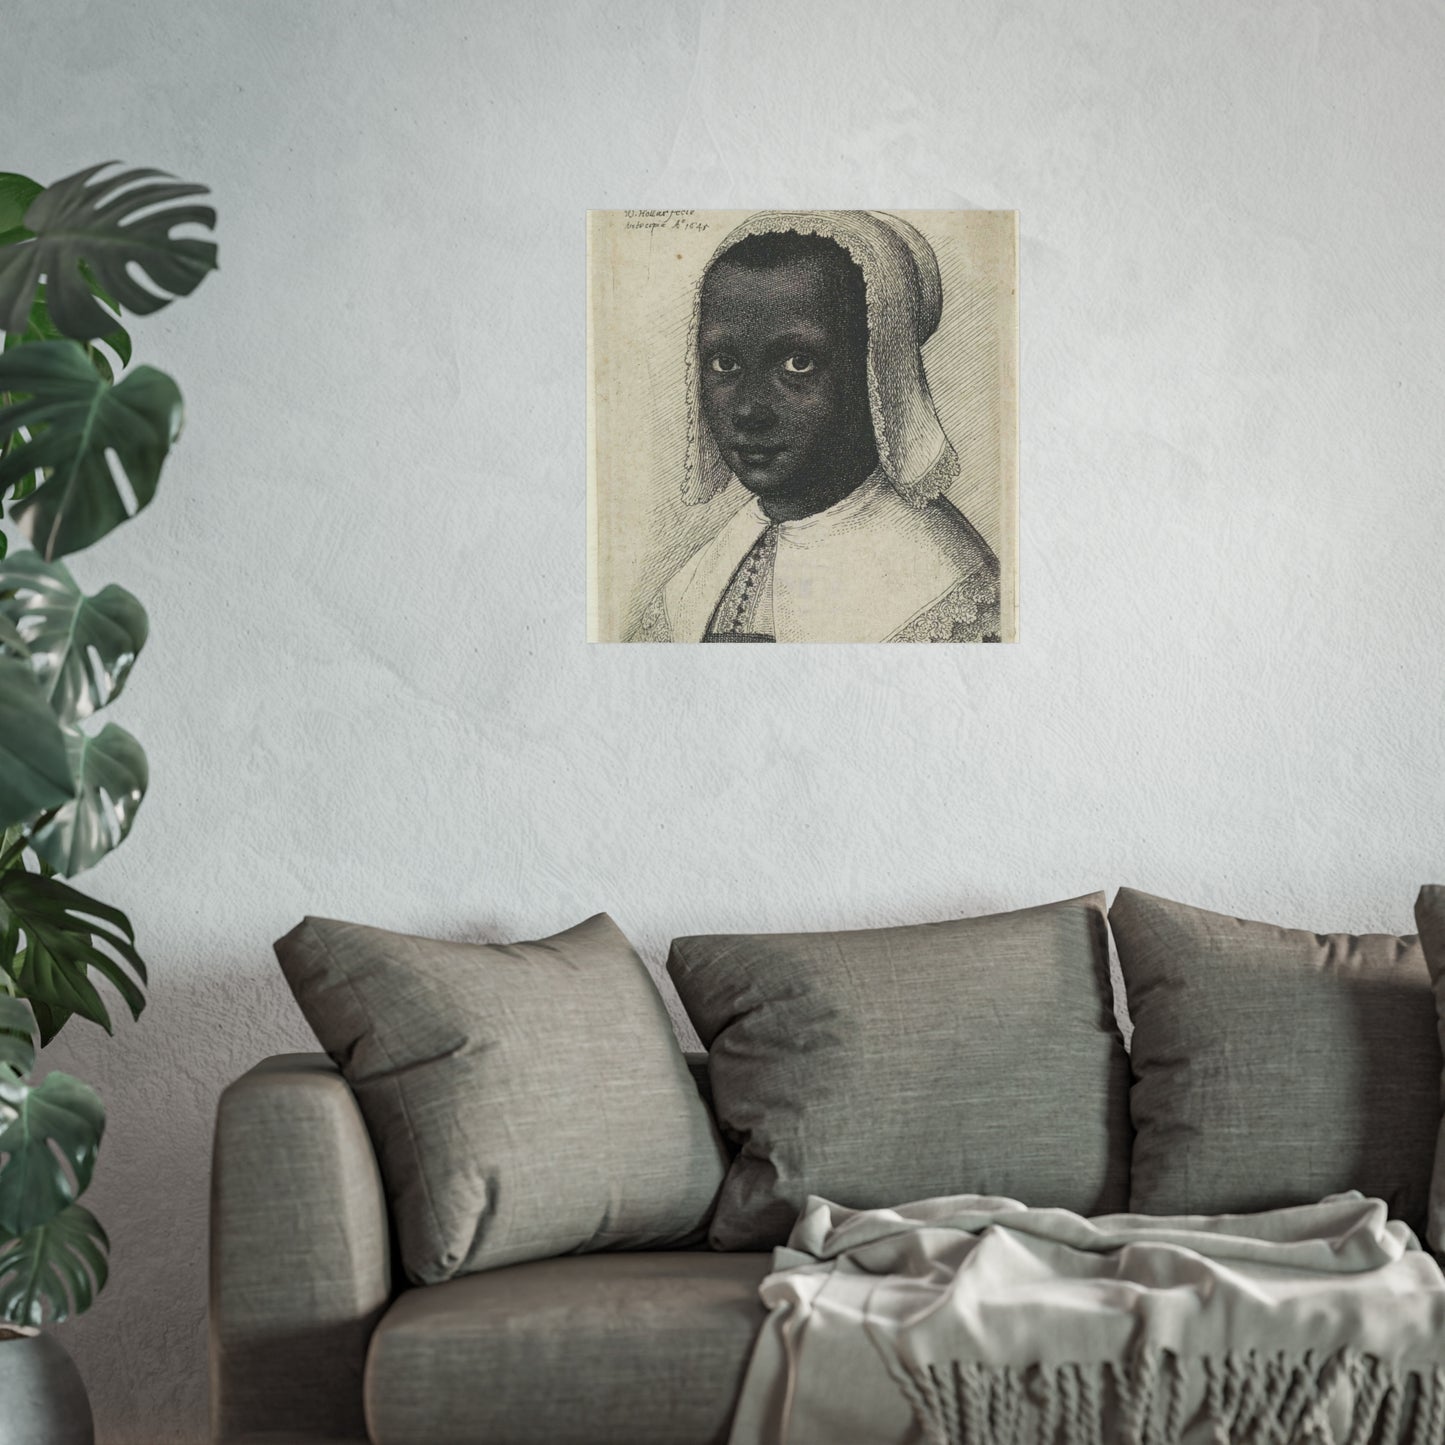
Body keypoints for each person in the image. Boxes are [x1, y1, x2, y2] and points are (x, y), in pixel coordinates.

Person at [630, 210, 1001, 643]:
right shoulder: (699, 577)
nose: (750, 410)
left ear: (879, 374)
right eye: (725, 364)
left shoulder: (942, 583)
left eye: (797, 364)